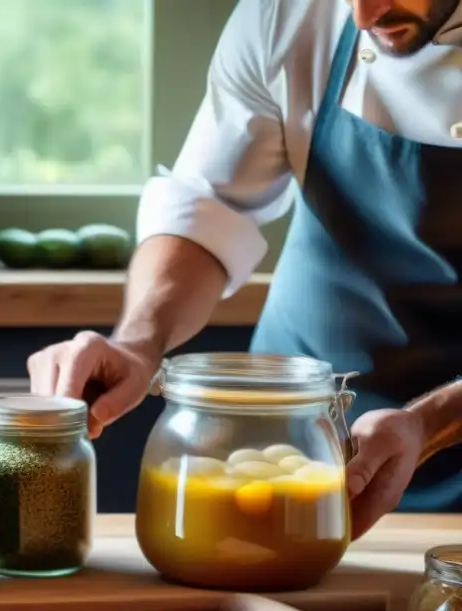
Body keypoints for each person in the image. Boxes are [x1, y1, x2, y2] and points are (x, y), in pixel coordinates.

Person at [27, 0, 462, 539]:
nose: (363, 15)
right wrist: (138, 342)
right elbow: (212, 207)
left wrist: (429, 423)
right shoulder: (287, 15)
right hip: (288, 443)